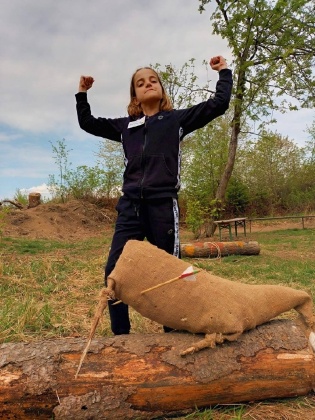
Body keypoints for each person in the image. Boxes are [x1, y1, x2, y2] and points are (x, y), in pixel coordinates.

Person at [76, 55, 233, 335]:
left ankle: (172, 336)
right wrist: (82, 93)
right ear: (134, 95)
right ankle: (120, 339)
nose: (148, 84)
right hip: (130, 208)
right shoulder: (125, 127)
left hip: (163, 206)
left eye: (153, 80)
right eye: (140, 83)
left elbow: (218, 104)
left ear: (161, 89)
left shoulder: (176, 120)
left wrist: (223, 72)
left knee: (170, 275)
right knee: (115, 273)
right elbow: (88, 122)